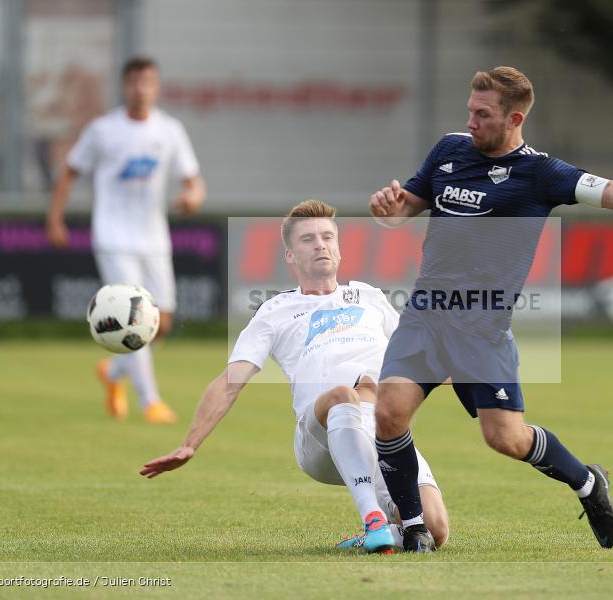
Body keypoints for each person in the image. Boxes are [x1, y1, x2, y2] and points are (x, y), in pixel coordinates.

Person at [369, 66, 613, 552]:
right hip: (426, 315)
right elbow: (406, 207)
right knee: (389, 413)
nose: (471, 121)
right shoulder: (448, 150)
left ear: (514, 118)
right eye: (469, 110)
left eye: (483, 114)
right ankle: (414, 528)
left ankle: (588, 482)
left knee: (505, 438)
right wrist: (388, 210)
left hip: (481, 329)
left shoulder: (541, 173)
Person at [139, 200, 449, 553]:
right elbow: (231, 380)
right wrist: (190, 443)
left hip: (384, 435)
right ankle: (373, 518)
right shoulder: (275, 311)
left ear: (339, 248)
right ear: (289, 256)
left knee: (435, 530)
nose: (320, 244)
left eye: (327, 236)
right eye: (308, 239)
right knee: (345, 393)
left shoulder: (371, 298)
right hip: (319, 437)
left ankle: (379, 534)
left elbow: (422, 359)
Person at [47, 56, 206, 424]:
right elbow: (69, 171)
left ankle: (114, 372)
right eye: (134, 81)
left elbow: (193, 180)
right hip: (113, 236)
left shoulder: (170, 131)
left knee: (161, 323)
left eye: (147, 81)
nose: (140, 88)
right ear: (125, 86)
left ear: (157, 86)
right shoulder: (103, 130)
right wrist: (55, 218)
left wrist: (194, 197)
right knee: (134, 316)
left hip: (153, 238)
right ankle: (151, 401)